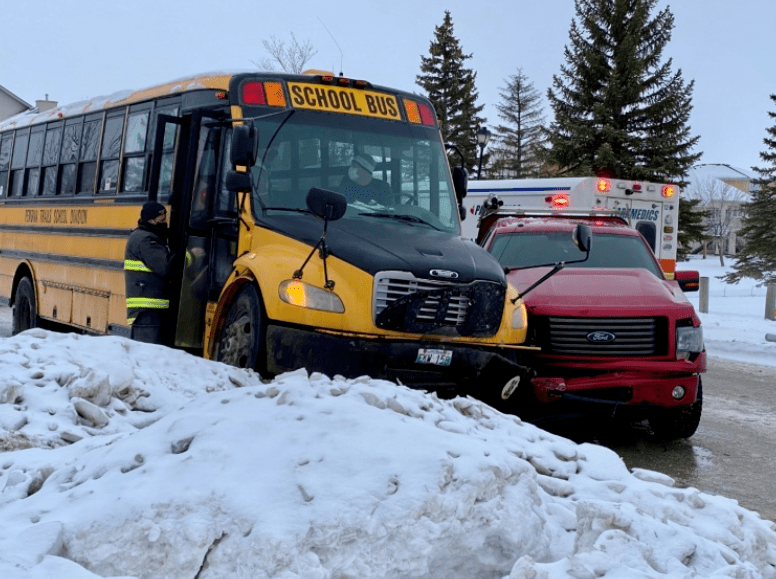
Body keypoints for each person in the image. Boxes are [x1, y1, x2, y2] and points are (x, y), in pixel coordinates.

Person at [124, 202, 175, 345]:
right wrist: (189, 255)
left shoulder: (144, 236)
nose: (165, 221)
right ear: (151, 219)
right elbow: (165, 266)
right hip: (147, 312)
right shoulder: (146, 240)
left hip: (150, 310)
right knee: (147, 358)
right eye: (162, 217)